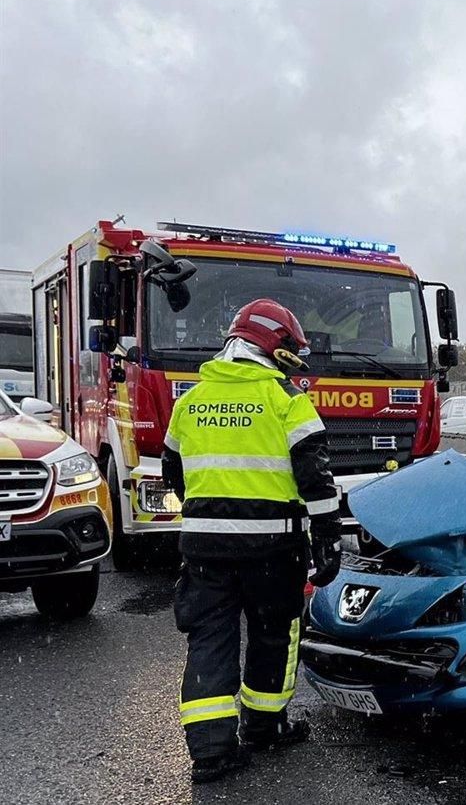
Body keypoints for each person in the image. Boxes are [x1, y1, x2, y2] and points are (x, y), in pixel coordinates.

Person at [162, 299, 342, 783]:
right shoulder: (286, 401)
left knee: (209, 642)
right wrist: (328, 537)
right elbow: (317, 482)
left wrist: (217, 511)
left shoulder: (190, 401)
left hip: (204, 552)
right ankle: (264, 726)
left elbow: (174, 475)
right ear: (272, 345)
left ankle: (211, 753)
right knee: (273, 635)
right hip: (272, 551)